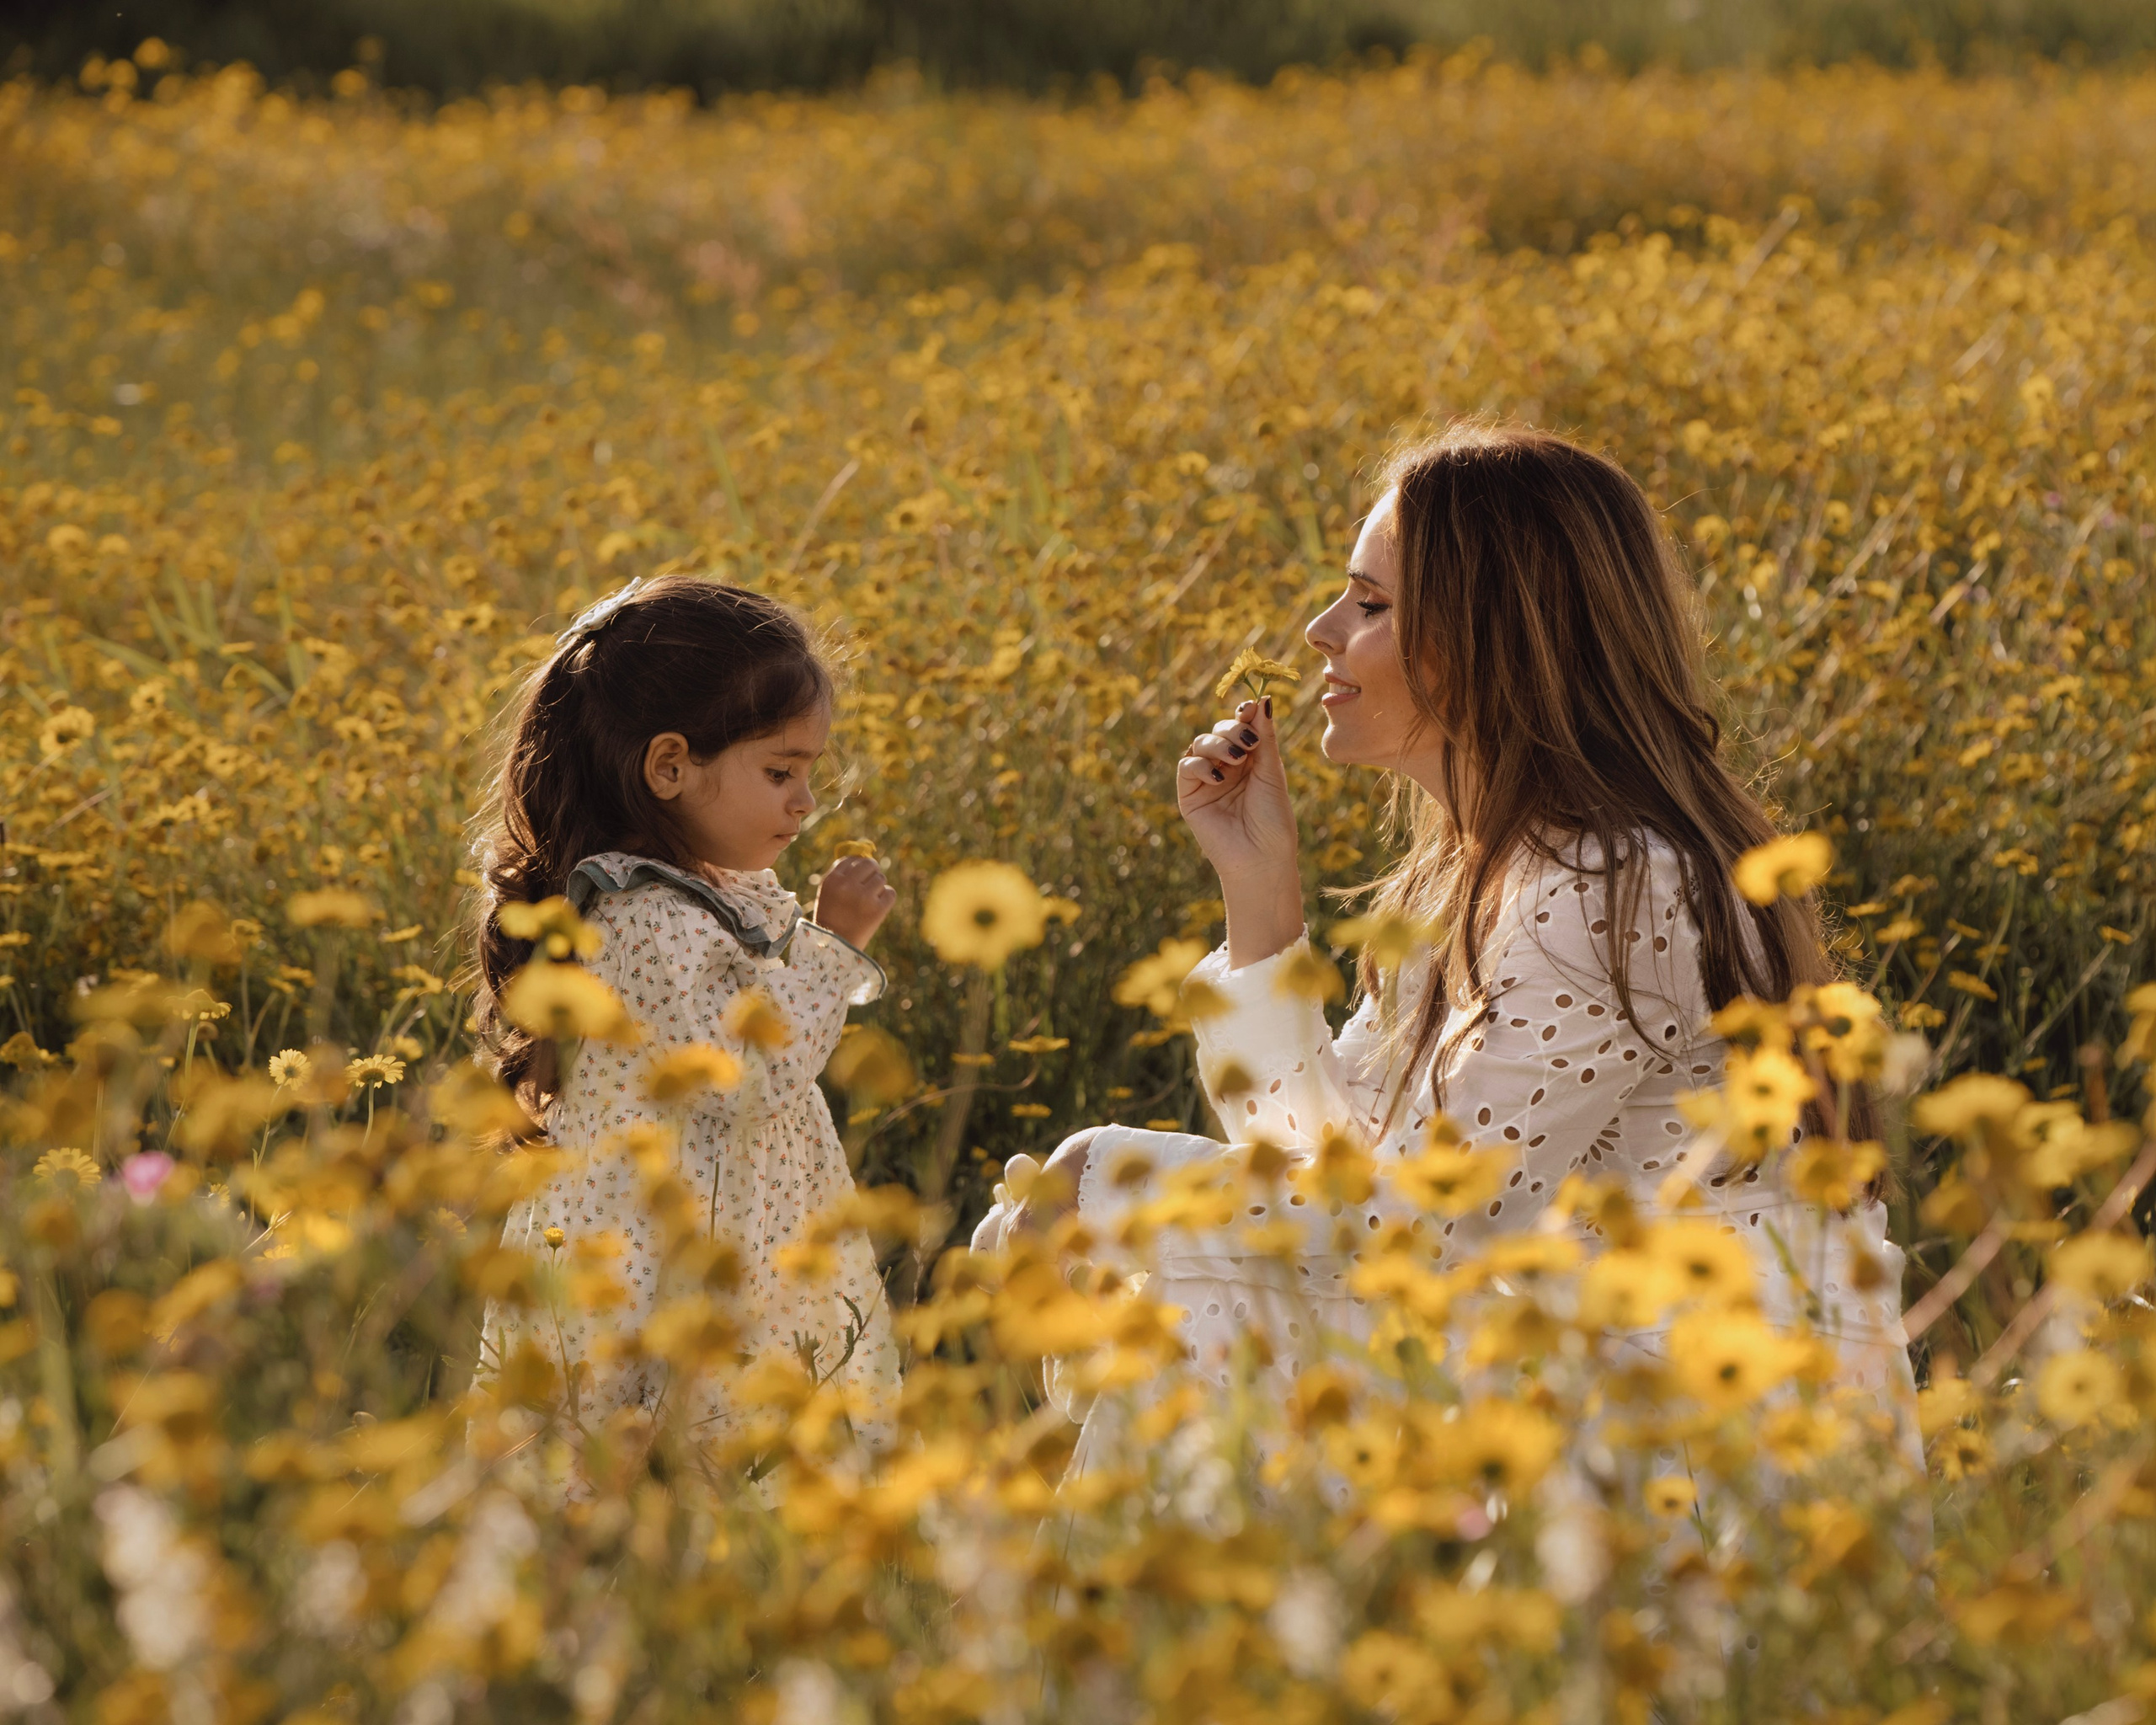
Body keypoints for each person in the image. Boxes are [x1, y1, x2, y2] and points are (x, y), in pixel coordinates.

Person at [978, 422, 1921, 1481]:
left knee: (1230, 1292)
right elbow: (1332, 1174)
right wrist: (1261, 897)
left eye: (1371, 605)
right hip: (1597, 1393)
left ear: (1493, 638)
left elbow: (1421, 1223)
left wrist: (1105, 1176)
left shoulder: (1613, 885)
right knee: (1243, 1286)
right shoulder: (1482, 873)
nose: (1320, 629)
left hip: (1730, 1443)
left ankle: (1143, 1625)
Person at [469, 574, 901, 1478]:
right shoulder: (643, 919)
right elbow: (749, 1073)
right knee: (665, 1460)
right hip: (668, 1261)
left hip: (717, 1234)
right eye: (780, 771)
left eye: (809, 774)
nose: (804, 802)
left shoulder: (688, 898)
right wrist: (834, 946)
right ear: (668, 766)